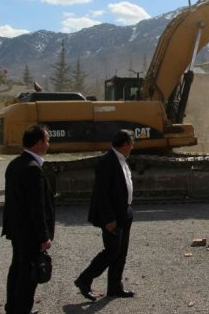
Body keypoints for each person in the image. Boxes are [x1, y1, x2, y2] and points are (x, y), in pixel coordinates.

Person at [74, 129, 136, 301]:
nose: (132, 147)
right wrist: (109, 219)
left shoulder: (122, 160)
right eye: (131, 144)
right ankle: (84, 279)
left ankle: (115, 287)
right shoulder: (107, 162)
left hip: (125, 211)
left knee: (121, 251)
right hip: (113, 215)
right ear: (125, 144)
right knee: (112, 251)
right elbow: (101, 194)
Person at [2, 124, 55, 314]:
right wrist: (44, 236)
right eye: (47, 140)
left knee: (17, 268)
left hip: (17, 229)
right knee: (29, 275)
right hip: (30, 232)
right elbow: (37, 207)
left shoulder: (15, 164)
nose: (48, 144)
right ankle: (22, 309)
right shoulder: (33, 169)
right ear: (39, 143)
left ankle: (12, 307)